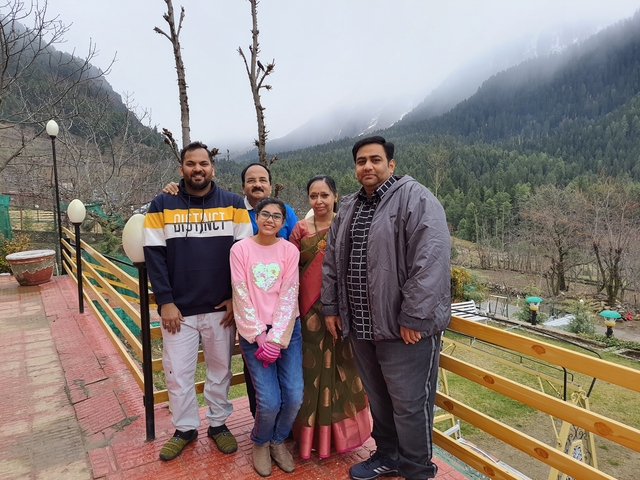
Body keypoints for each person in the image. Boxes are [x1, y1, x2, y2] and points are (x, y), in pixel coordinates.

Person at [321, 136, 451, 480]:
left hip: (404, 329)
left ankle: (417, 471)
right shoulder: (348, 206)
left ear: (390, 165)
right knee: (379, 400)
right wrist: (331, 307)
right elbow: (332, 262)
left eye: (375, 159)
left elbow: (431, 260)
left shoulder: (416, 198)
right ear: (355, 168)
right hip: (362, 327)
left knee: (410, 406)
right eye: (361, 161)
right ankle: (388, 456)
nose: (368, 166)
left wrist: (415, 316)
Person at [143, 141, 252, 461]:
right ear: (181, 169)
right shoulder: (161, 204)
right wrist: (165, 301)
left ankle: (218, 424)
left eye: (203, 163)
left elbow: (244, 257)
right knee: (177, 373)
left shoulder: (234, 205)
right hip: (179, 310)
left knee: (220, 371)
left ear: (212, 168)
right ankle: (185, 428)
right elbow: (154, 256)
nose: (198, 169)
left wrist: (235, 296)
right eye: (191, 164)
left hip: (221, 308)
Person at [164, 162, 299, 417]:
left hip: (281, 312)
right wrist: (176, 190)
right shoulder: (233, 207)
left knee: (288, 379)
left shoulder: (286, 212)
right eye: (251, 180)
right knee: (254, 373)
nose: (257, 184)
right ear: (243, 186)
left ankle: (283, 429)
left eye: (262, 179)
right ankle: (259, 421)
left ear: (271, 184)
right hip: (244, 309)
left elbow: (296, 246)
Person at [290, 174, 370, 459]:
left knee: (344, 369)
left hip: (341, 311)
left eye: (325, 195)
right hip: (308, 313)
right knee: (310, 371)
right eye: (314, 196)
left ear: (336, 196)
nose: (319, 201)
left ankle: (338, 437)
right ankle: (307, 436)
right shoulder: (299, 229)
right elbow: (291, 271)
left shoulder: (346, 224)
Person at [230, 197, 303, 477]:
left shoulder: (289, 251)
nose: (270, 219)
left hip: (287, 331)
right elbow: (240, 292)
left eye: (276, 216)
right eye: (265, 214)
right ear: (256, 217)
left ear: (283, 222)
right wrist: (260, 335)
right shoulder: (240, 250)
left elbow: (289, 294)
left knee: (294, 395)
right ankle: (260, 442)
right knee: (269, 399)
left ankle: (277, 440)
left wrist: (275, 338)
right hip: (253, 334)